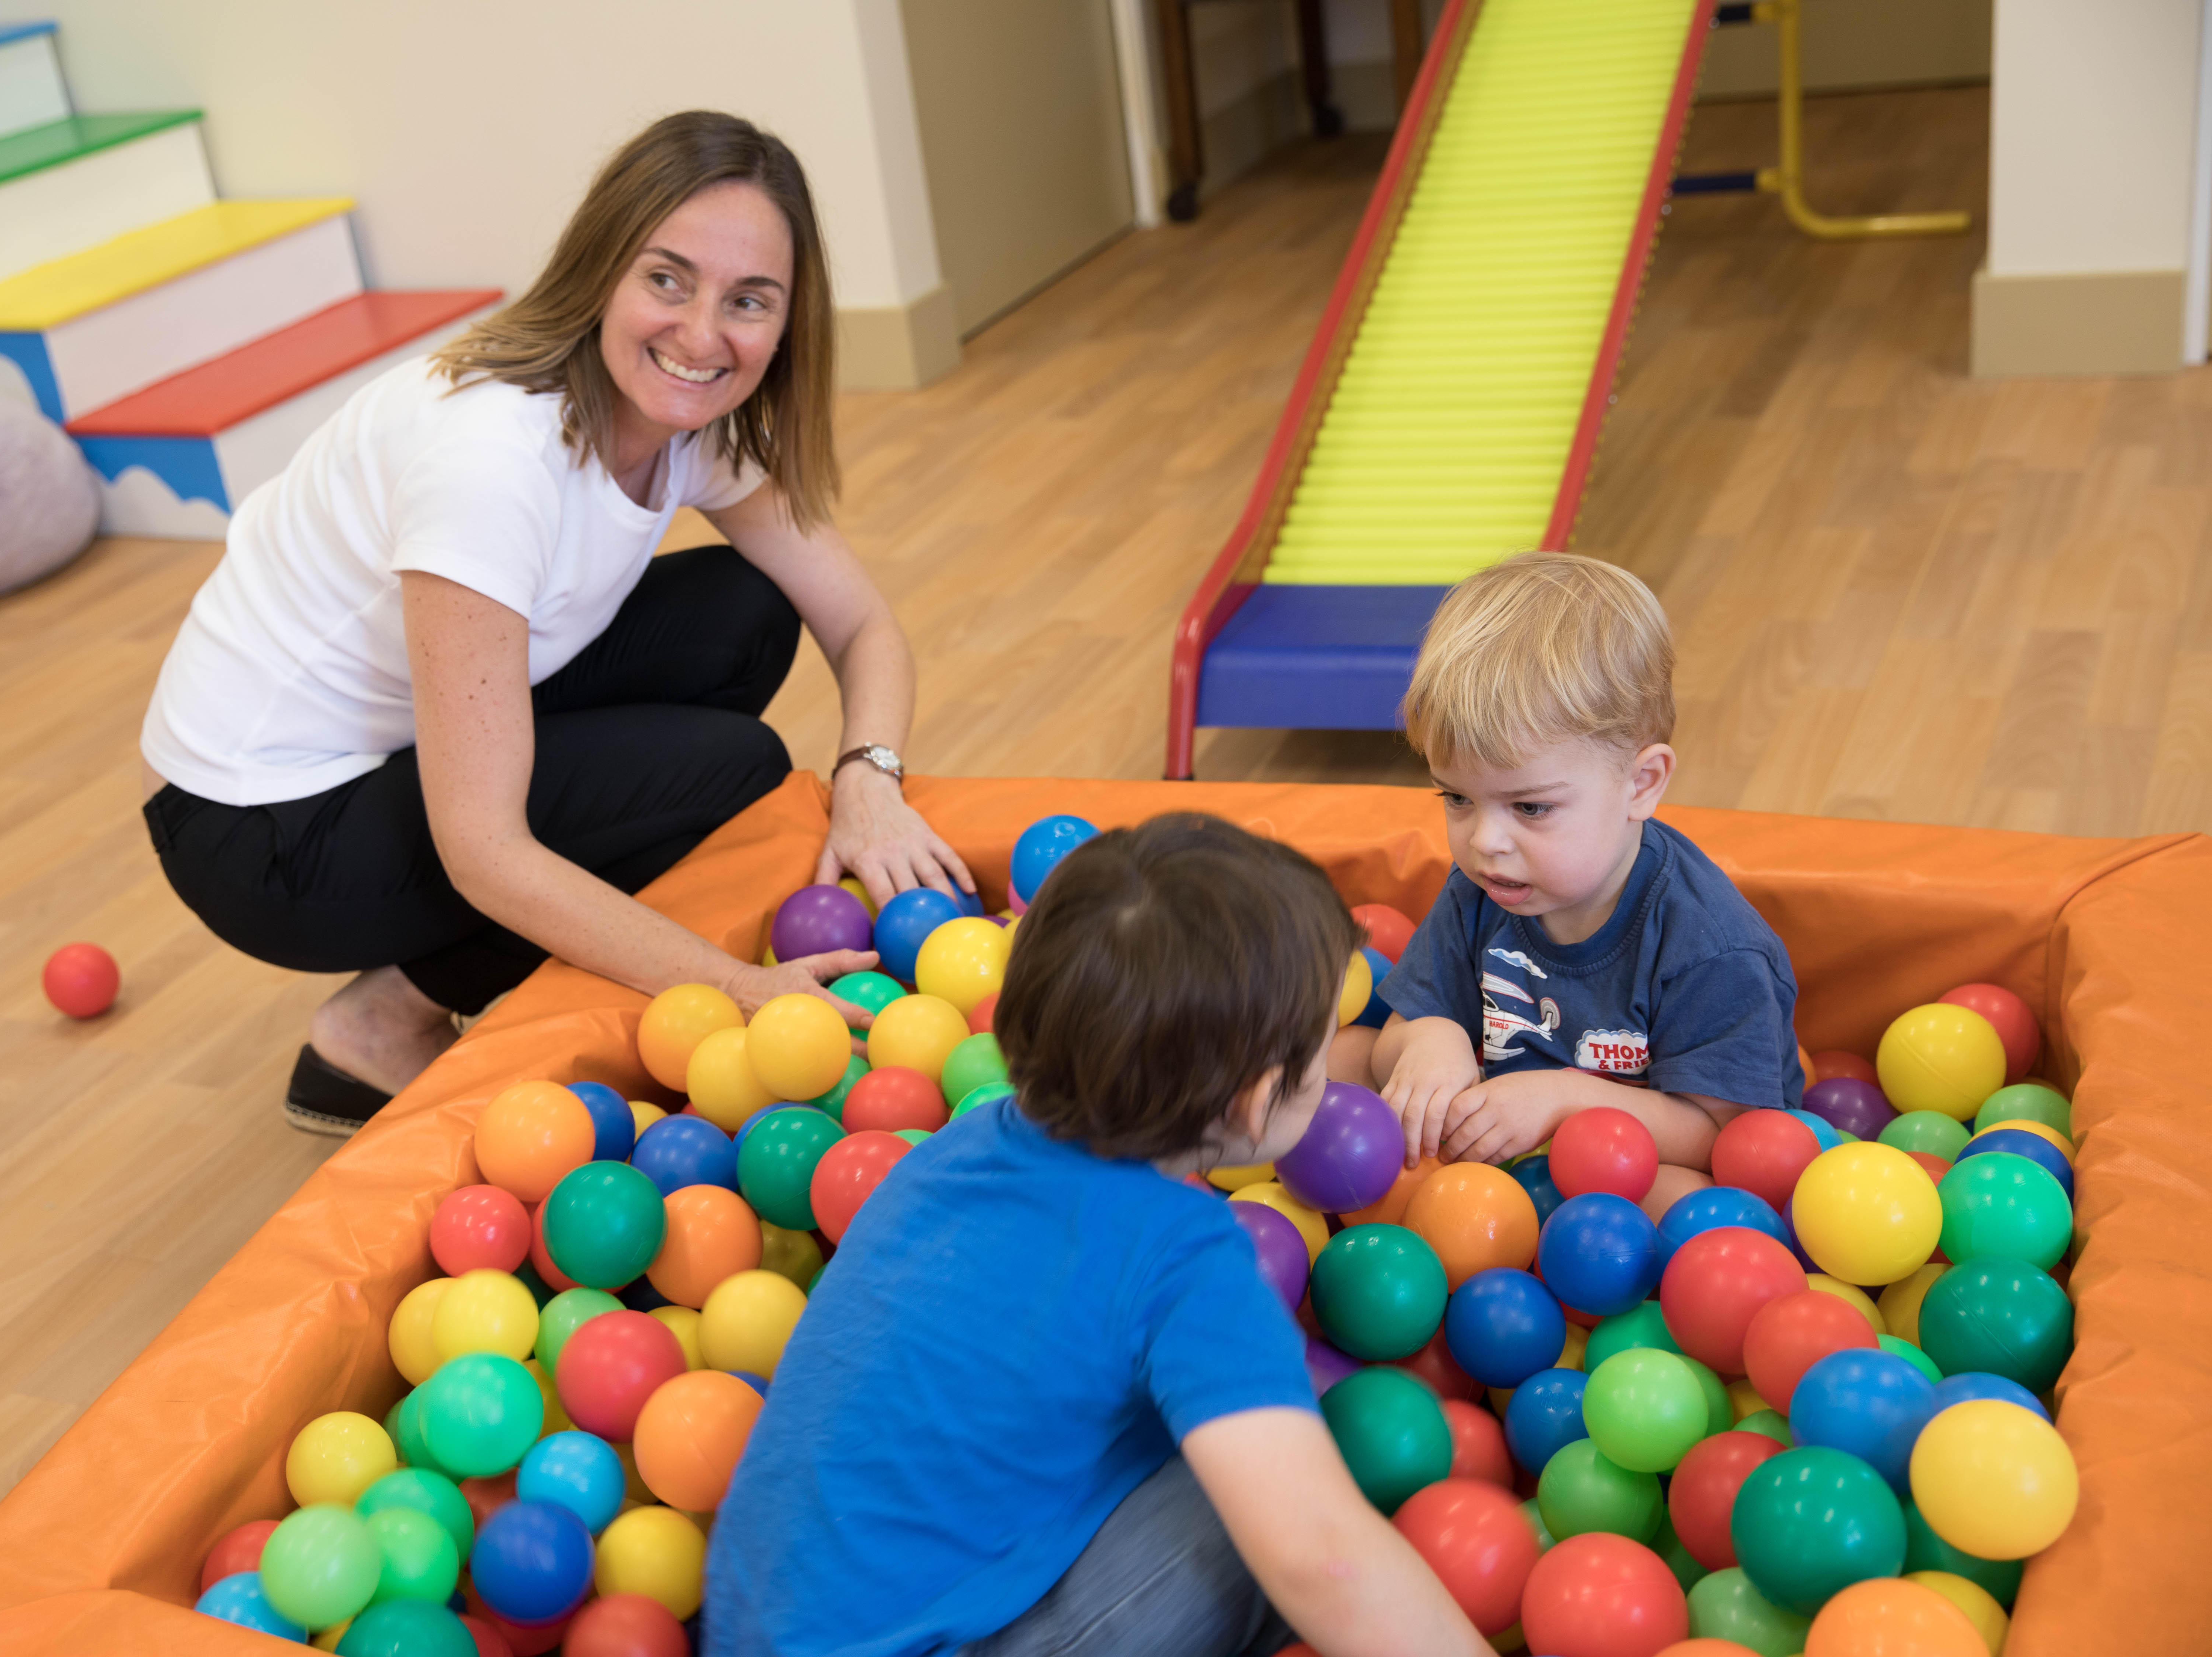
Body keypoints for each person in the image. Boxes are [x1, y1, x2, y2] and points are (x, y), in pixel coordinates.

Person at [138, 112, 970, 1134]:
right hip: (260, 829)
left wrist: (869, 781)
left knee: (745, 613)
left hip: (383, 748)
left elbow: (861, 624)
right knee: (730, 770)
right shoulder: (491, 463)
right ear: (602, 269)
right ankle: (378, 1026)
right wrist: (729, 987)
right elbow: (484, 849)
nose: (704, 336)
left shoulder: (685, 417)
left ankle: (417, 985)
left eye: (748, 301)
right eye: (668, 280)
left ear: (789, 323)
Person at [706, 814, 1494, 1657]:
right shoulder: (1182, 1254)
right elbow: (1323, 1560)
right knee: (1306, 1473)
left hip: (751, 1628)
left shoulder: (955, 1151)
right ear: (1258, 1100)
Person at [1344, 552, 1803, 1171]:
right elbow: (1402, 1030)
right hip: (1493, 1171)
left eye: (1530, 808)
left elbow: (1727, 1142)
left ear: (1641, 783)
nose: (1485, 842)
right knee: (1335, 1057)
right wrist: (1432, 1041)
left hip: (1630, 1173)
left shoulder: (1711, 946)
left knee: (1683, 1201)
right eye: (1457, 798)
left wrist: (1564, 1104)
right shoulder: (1483, 890)